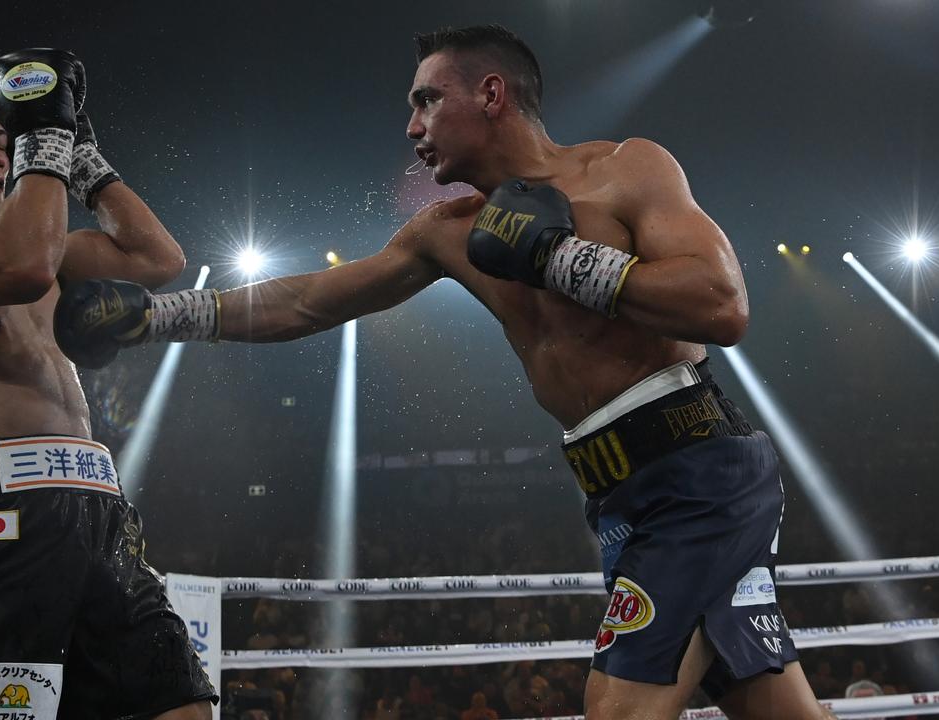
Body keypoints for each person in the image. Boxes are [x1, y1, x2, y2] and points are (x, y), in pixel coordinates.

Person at [55, 25, 832, 720]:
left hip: (698, 471)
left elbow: (721, 306)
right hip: (618, 491)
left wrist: (557, 258)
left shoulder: (625, 171)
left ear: (491, 94)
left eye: (427, 101)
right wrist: (155, 319)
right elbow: (309, 300)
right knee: (774, 708)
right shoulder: (446, 232)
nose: (412, 126)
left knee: (619, 709)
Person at [0, 49, 215, 719]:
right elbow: (19, 266)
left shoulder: (41, 254)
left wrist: (80, 157)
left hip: (101, 516)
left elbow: (157, 258)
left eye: (4, 139)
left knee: (183, 708)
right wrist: (39, 140)